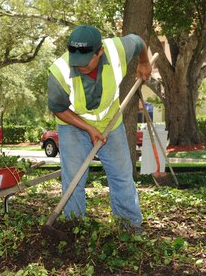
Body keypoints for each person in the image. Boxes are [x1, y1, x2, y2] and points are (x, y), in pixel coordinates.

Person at [47, 24, 152, 230]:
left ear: (100, 51)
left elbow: (139, 41)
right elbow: (58, 109)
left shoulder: (116, 50)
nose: (80, 66)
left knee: (122, 176)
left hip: (111, 123)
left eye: (86, 63)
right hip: (73, 126)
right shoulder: (59, 71)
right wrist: (89, 128)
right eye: (76, 62)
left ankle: (129, 229)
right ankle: (73, 229)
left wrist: (144, 62)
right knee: (74, 179)